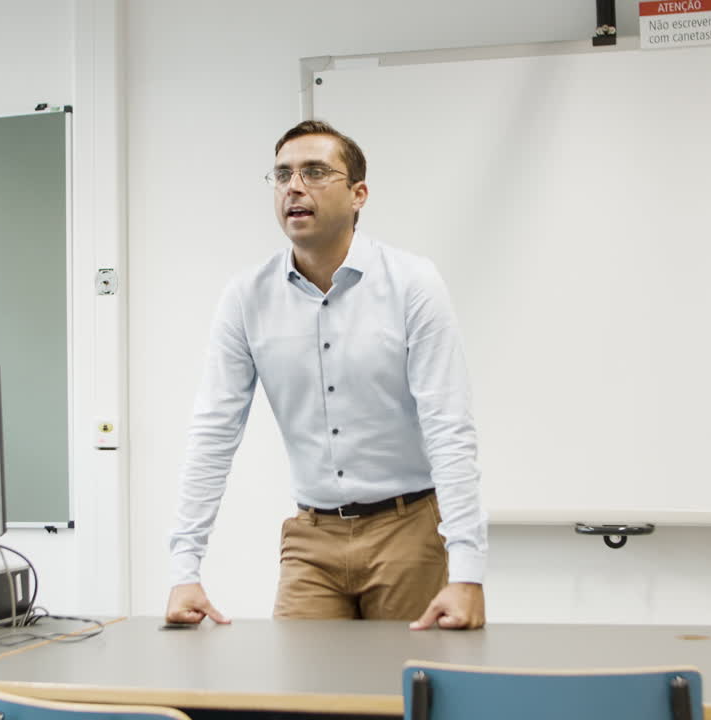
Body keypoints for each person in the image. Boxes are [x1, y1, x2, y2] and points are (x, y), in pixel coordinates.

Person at [165, 120, 487, 630]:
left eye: (315, 172)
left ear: (358, 194)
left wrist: (468, 573)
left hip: (408, 531)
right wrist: (184, 569)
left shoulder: (412, 283)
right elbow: (213, 432)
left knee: (402, 695)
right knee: (297, 701)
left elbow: (449, 426)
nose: (294, 186)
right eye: (282, 175)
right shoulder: (247, 297)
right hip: (311, 537)